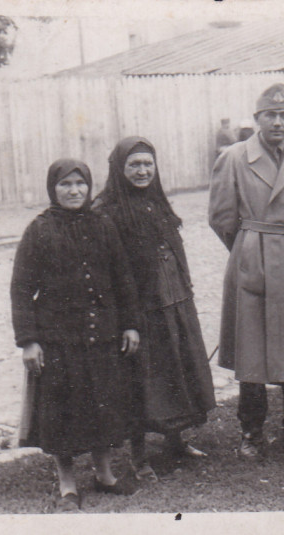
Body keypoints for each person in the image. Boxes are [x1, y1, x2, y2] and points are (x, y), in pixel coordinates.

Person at [209, 83, 284, 459]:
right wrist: (249, 247)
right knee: (253, 351)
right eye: (270, 115)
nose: (278, 122)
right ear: (257, 118)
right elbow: (221, 217)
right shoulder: (233, 157)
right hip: (254, 258)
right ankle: (252, 431)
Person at [12, 159, 141, 510]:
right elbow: (21, 289)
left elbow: (123, 279)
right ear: (53, 189)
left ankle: (104, 474)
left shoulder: (103, 224)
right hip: (58, 339)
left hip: (102, 335)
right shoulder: (38, 230)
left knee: (104, 407)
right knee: (62, 412)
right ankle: (67, 482)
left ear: (89, 187)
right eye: (66, 185)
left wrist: (130, 323)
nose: (74, 191)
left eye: (80, 184)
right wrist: (29, 340)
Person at [94, 137, 216, 480]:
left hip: (173, 300)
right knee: (142, 380)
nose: (142, 171)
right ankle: (139, 455)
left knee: (177, 370)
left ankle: (175, 441)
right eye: (134, 165)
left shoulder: (156, 201)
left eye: (148, 164)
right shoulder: (106, 211)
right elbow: (109, 273)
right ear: (119, 168)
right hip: (139, 310)